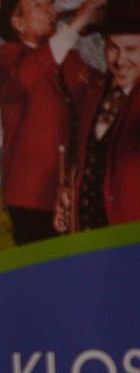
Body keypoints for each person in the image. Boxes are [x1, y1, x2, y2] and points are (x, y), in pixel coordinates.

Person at [0, 0, 106, 244]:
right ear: (18, 22)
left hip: (70, 192)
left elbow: (104, 88)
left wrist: (107, 30)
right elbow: (27, 76)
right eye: (38, 4)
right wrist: (77, 22)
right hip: (32, 196)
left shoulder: (68, 59)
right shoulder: (10, 55)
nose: (50, 10)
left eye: (51, 3)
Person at [63, 0, 140, 230]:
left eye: (131, 50)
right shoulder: (95, 89)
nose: (120, 61)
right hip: (87, 233)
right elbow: (55, 55)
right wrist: (82, 17)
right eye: (112, 47)